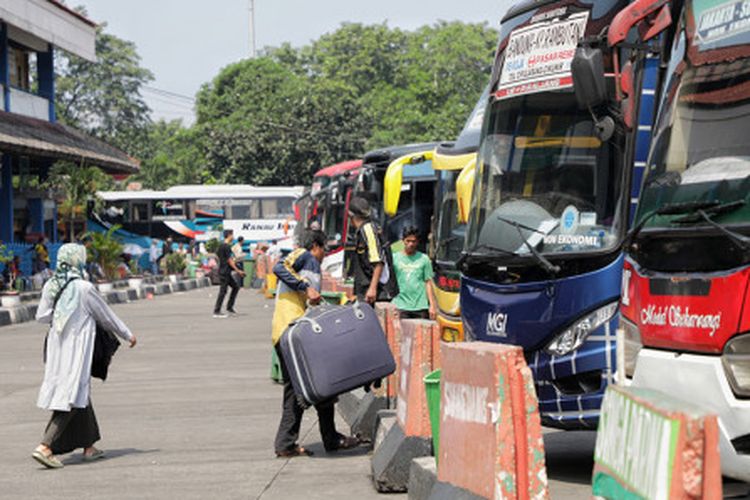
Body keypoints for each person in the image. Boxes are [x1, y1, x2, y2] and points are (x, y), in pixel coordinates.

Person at [32, 243, 137, 469]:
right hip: (77, 348)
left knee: (78, 391)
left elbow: (41, 316)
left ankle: (89, 447)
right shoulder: (84, 288)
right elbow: (106, 317)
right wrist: (128, 335)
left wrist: (60, 316)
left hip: (56, 346)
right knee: (72, 394)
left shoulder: (51, 284)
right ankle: (45, 446)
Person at [271, 230, 359, 457]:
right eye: (324, 250)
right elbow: (279, 268)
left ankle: (295, 442)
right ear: (316, 246)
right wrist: (305, 287)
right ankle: (305, 441)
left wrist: (341, 301)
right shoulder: (302, 255)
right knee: (310, 385)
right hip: (290, 332)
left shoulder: (314, 270)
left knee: (315, 385)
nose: (324, 255)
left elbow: (314, 300)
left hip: (300, 333)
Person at [347, 197, 398, 304]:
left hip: (378, 291)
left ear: (351, 216)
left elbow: (378, 261)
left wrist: (372, 288)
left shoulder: (368, 229)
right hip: (369, 290)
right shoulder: (363, 230)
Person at [392, 226, 437, 320]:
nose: (411, 244)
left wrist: (432, 305)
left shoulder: (424, 259)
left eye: (413, 241)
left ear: (417, 242)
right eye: (408, 241)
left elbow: (428, 282)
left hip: (420, 306)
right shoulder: (394, 258)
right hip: (400, 305)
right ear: (403, 240)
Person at [213, 229, 245, 318]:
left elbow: (216, 256)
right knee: (223, 291)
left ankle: (229, 307)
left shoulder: (221, 246)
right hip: (224, 272)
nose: (233, 237)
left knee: (235, 287)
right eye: (232, 235)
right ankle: (216, 311)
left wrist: (221, 263)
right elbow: (230, 260)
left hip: (225, 271)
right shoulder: (226, 246)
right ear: (229, 235)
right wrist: (238, 271)